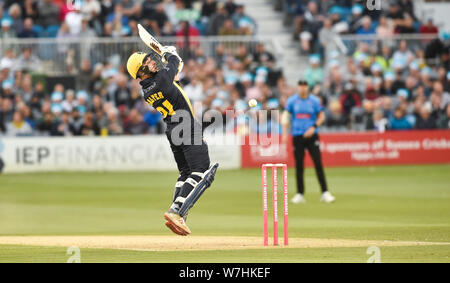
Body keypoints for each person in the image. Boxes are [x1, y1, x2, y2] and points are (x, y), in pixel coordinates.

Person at [126, 47, 219, 236]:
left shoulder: (147, 90)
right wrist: (168, 53)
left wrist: (171, 64)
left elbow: (173, 72)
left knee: (185, 172)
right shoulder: (161, 79)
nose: (152, 62)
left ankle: (175, 211)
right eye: (148, 62)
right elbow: (175, 61)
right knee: (200, 171)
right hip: (185, 125)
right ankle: (177, 211)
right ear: (141, 70)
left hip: (172, 129)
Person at [281, 80, 335, 204]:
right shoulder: (292, 101)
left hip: (312, 136)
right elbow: (285, 117)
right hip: (297, 135)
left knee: (318, 163)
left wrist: (314, 127)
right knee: (299, 165)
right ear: (298, 87)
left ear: (307, 87)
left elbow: (321, 116)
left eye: (305, 86)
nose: (302, 89)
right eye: (300, 86)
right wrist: (284, 133)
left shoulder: (314, 101)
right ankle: (300, 194)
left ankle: (325, 192)